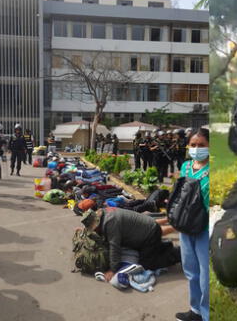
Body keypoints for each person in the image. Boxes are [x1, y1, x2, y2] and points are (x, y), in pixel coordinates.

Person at [81, 207, 181, 283]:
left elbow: (114, 247)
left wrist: (113, 270)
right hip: (147, 230)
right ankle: (164, 246)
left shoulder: (110, 223)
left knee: (147, 264)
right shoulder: (104, 213)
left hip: (150, 234)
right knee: (148, 252)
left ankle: (178, 254)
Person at [175, 128, 210, 321]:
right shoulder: (186, 166)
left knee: (205, 274)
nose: (197, 149)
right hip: (185, 226)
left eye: (202, 145)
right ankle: (195, 309)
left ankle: (207, 314)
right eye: (193, 145)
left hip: (204, 229)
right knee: (190, 270)